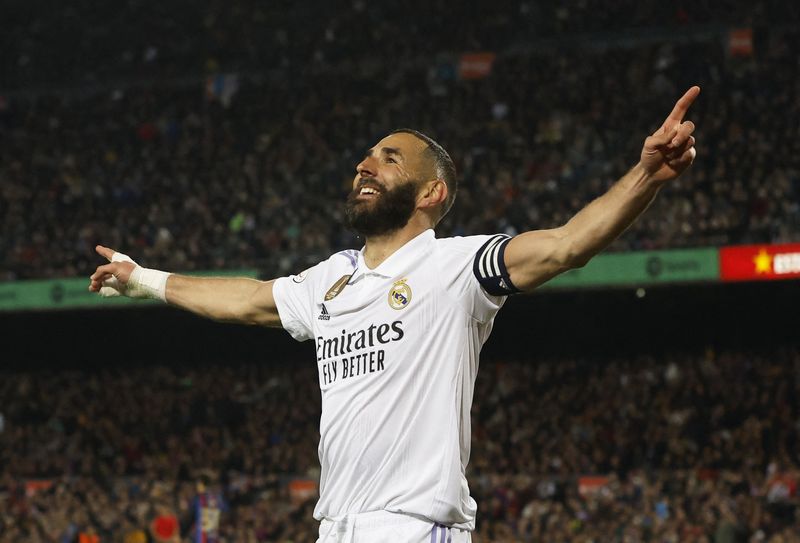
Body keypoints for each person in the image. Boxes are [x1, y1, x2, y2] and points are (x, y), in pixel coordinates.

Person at [89, 86, 700, 542]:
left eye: (388, 157)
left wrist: (647, 175)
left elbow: (568, 244)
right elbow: (249, 300)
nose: (365, 164)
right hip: (336, 526)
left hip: (414, 527)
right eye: (364, 156)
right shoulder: (331, 278)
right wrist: (144, 278)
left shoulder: (459, 268)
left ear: (432, 193)